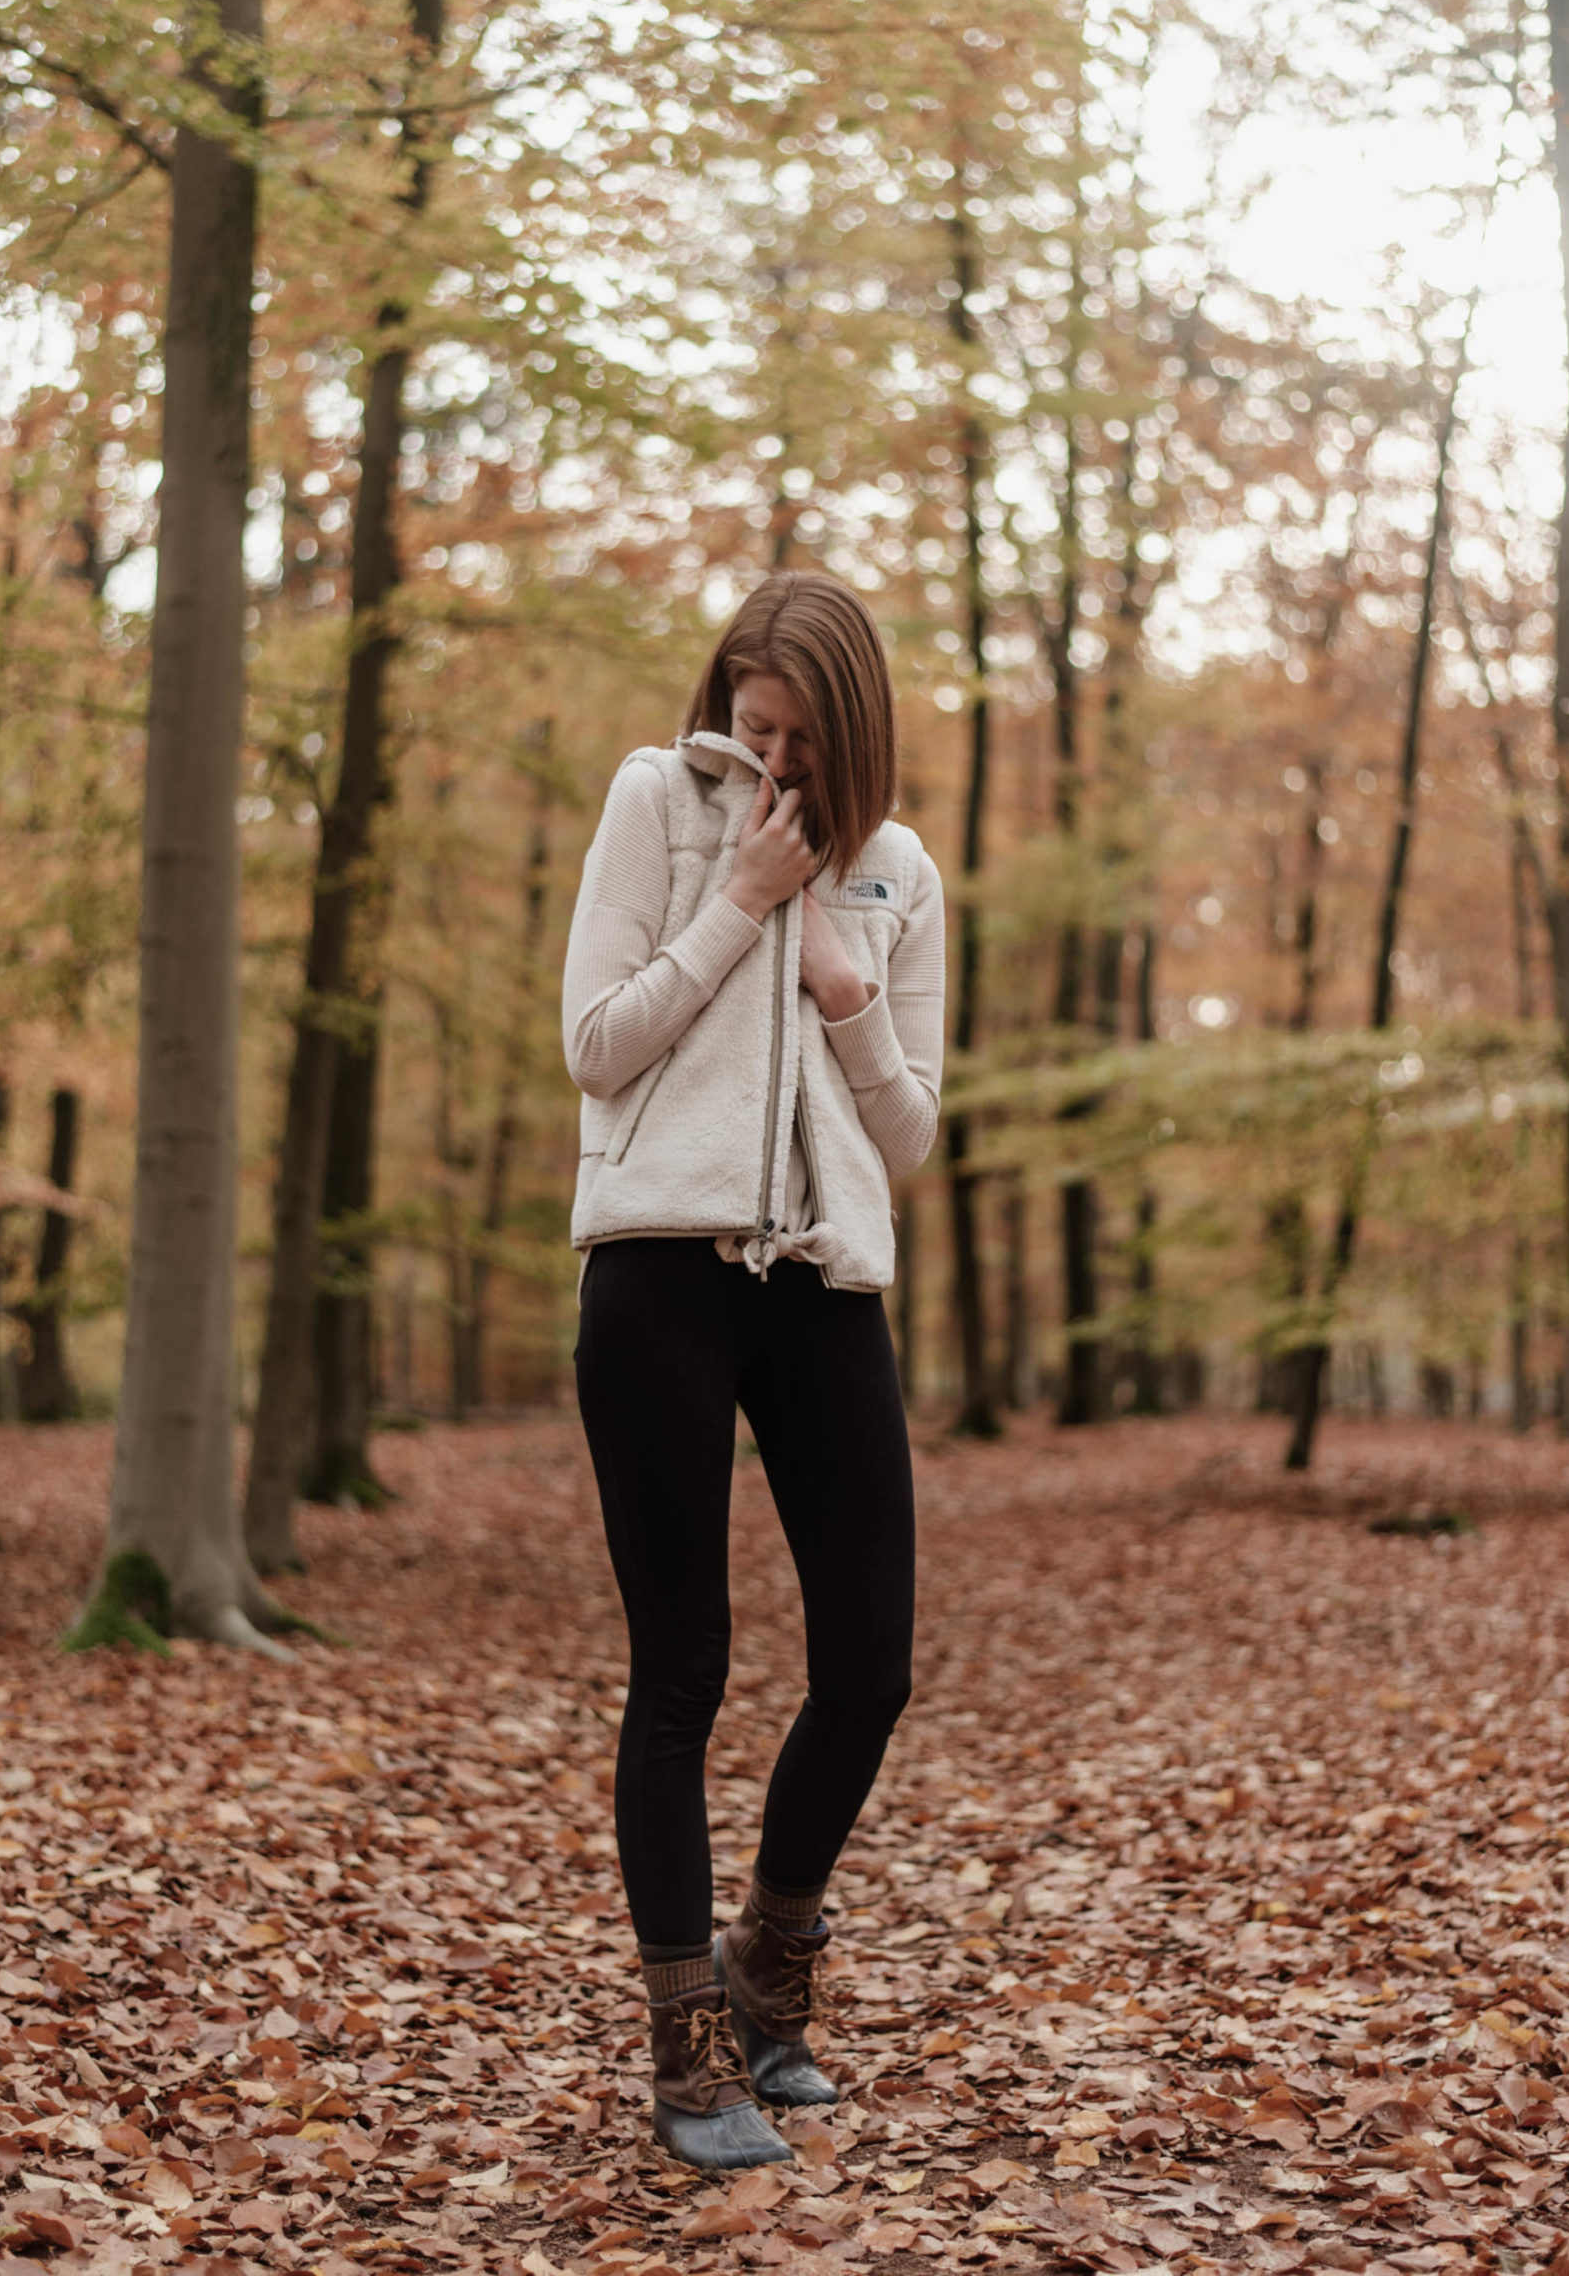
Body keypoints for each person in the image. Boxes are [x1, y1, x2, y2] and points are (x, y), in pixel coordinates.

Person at [562, 571, 946, 2170]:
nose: (767, 759)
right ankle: (691, 2048)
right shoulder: (658, 798)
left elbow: (912, 1131)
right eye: (747, 719)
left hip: (822, 1290)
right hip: (658, 1274)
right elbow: (595, 1042)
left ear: (848, 735)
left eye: (795, 736)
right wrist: (736, 903)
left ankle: (772, 1976)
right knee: (683, 1673)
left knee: (869, 1662)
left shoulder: (901, 872)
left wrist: (845, 994)